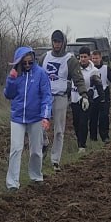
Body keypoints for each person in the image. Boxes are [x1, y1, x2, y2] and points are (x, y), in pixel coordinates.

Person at [4, 45, 52, 189]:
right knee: (16, 149)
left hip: (36, 117)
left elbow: (46, 96)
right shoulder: (15, 74)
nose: (27, 65)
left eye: (30, 62)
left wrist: (45, 116)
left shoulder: (41, 74)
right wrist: (11, 80)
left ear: (34, 60)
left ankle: (36, 176)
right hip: (18, 117)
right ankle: (12, 183)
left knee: (36, 150)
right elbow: (8, 95)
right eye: (24, 63)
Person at [41, 30, 89, 171]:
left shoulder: (70, 60)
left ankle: (55, 159)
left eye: (59, 42)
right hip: (44, 97)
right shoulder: (44, 57)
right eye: (54, 41)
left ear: (63, 43)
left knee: (59, 130)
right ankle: (44, 143)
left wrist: (84, 95)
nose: (56, 44)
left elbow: (78, 78)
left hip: (60, 96)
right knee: (39, 126)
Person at [71, 46, 95, 153]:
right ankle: (79, 142)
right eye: (81, 57)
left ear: (89, 57)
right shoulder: (74, 69)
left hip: (86, 100)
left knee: (83, 122)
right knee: (76, 123)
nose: (83, 59)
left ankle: (82, 145)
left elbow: (96, 86)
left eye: (85, 57)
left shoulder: (94, 71)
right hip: (74, 99)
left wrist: (89, 95)